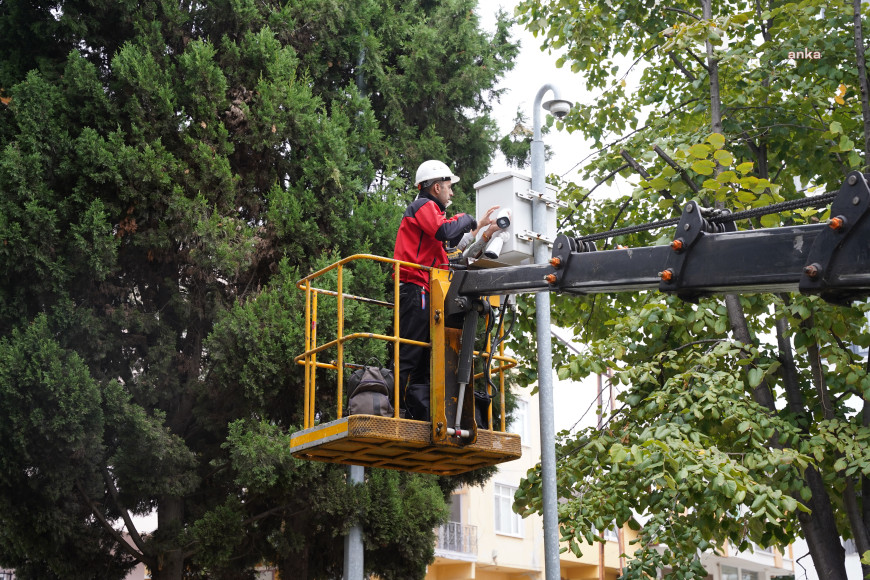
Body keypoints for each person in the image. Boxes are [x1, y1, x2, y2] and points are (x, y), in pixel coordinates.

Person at [391, 159, 500, 419]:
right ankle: (394, 406)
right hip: (414, 286)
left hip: (424, 288)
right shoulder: (423, 206)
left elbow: (453, 248)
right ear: (437, 187)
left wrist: (483, 228)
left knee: (422, 352)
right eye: (449, 187)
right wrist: (470, 219)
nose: (451, 193)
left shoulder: (429, 214)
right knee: (410, 350)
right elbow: (445, 231)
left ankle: (411, 408)